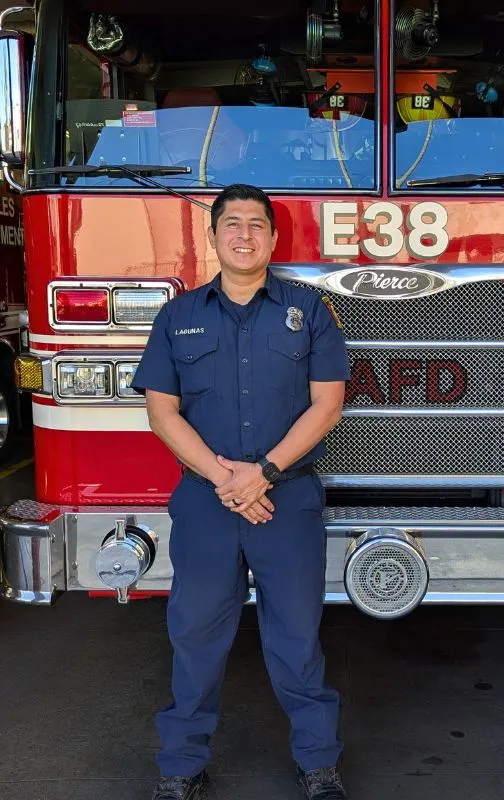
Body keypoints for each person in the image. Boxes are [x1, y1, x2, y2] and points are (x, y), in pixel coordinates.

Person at [131, 183, 351, 800]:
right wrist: (227, 478)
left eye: (257, 224)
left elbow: (327, 404)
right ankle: (180, 768)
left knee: (297, 639)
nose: (245, 235)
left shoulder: (309, 310)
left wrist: (266, 472)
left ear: (274, 238)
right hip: (207, 504)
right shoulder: (178, 316)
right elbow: (162, 413)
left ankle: (318, 764)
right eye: (233, 224)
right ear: (214, 236)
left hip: (289, 500)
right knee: (195, 636)